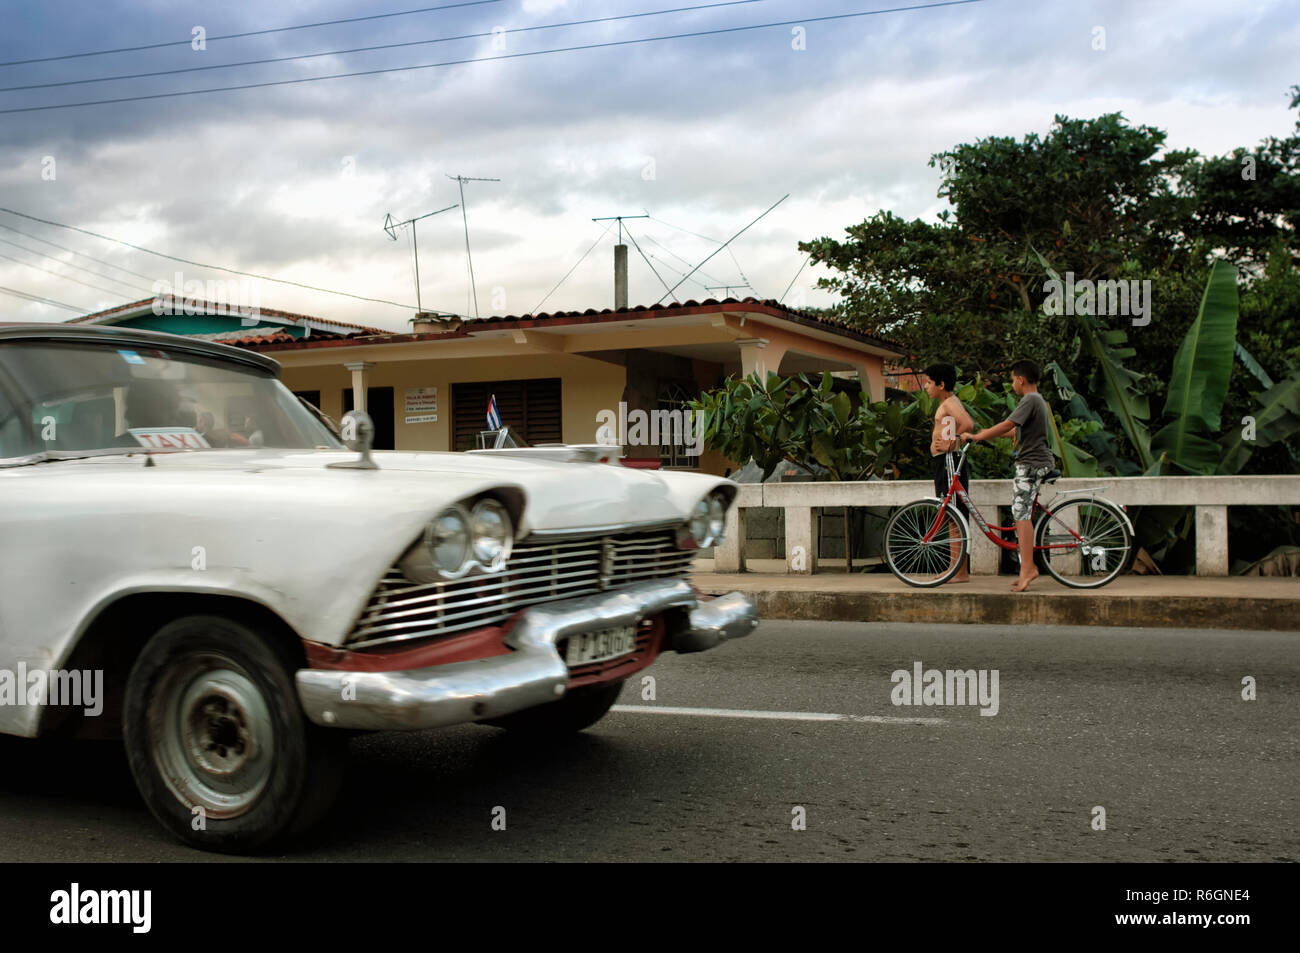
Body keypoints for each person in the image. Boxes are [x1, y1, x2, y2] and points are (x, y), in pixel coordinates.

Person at [959, 359, 1055, 592]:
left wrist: (979, 437)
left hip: (1031, 463)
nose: (1013, 384)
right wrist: (984, 434)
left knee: (1021, 514)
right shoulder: (1037, 400)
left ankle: (1028, 569)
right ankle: (1027, 568)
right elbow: (1014, 430)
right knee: (1021, 511)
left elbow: (1007, 424)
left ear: (1020, 379)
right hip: (1036, 461)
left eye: (1013, 379)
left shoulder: (1030, 399)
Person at [921, 363, 974, 583]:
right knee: (953, 516)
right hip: (945, 461)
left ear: (941, 384)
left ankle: (959, 571)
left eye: (929, 382)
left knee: (954, 516)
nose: (926, 387)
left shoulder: (949, 403)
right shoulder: (947, 403)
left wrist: (954, 441)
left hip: (949, 462)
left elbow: (968, 423)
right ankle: (956, 569)